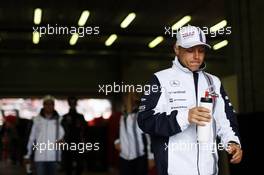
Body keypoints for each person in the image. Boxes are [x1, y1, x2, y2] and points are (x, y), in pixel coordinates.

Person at [137, 25, 243, 175]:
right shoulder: (160, 79)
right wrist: (184, 117)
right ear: (177, 49)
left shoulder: (214, 82)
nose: (196, 56)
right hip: (174, 170)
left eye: (201, 50)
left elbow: (225, 119)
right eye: (190, 50)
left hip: (209, 170)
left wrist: (232, 142)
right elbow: (145, 120)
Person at [114, 92, 155, 175]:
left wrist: (151, 157)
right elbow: (118, 131)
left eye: (131, 97)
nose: (128, 99)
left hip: (139, 157)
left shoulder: (141, 115)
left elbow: (149, 137)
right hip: (124, 157)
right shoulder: (123, 115)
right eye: (127, 97)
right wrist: (117, 141)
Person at [24, 95, 65, 175]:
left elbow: (65, 136)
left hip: (54, 157)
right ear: (44, 105)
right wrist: (27, 155)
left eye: (51, 104)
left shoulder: (60, 120)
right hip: (40, 158)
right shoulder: (36, 120)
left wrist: (63, 142)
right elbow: (31, 138)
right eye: (47, 104)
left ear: (54, 106)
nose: (49, 106)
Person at [61, 96, 86, 175]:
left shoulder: (80, 117)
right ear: (68, 103)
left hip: (78, 143)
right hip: (67, 143)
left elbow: (85, 130)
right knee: (68, 165)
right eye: (71, 102)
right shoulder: (64, 117)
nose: (72, 104)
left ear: (76, 103)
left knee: (80, 165)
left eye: (73, 102)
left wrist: (84, 142)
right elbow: (62, 131)